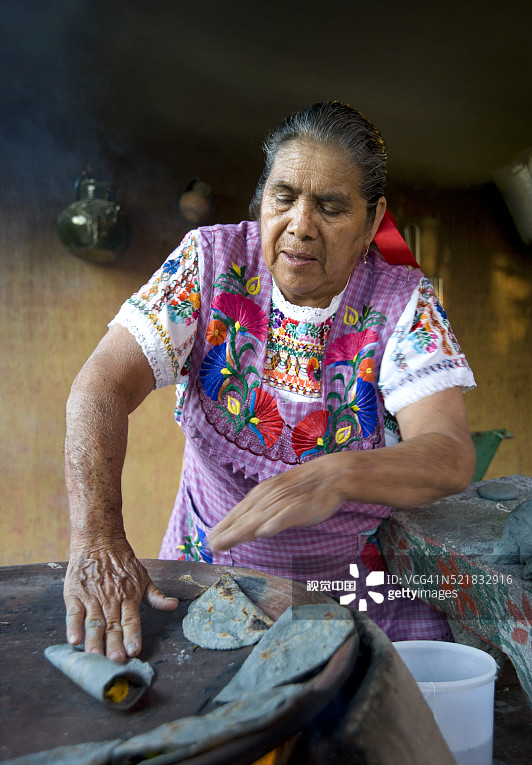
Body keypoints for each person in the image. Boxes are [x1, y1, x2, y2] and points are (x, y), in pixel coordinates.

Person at [64, 101, 476, 663]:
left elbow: (449, 453)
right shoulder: (210, 264)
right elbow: (100, 388)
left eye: (331, 207)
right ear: (263, 199)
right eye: (283, 198)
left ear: (373, 220)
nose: (300, 226)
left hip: (347, 597)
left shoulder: (402, 302)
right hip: (208, 578)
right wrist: (96, 540)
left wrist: (338, 473)